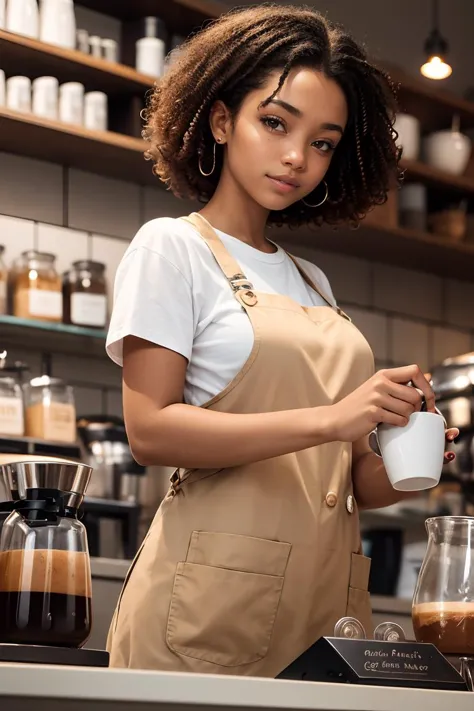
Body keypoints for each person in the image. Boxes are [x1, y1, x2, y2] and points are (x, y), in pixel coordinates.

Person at [105, 4, 458, 675]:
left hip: (324, 607)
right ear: (220, 120)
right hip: (209, 608)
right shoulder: (172, 247)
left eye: (323, 142)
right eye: (275, 122)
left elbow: (349, 478)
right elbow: (150, 431)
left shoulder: (312, 279)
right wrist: (333, 416)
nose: (297, 157)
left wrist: (410, 451)